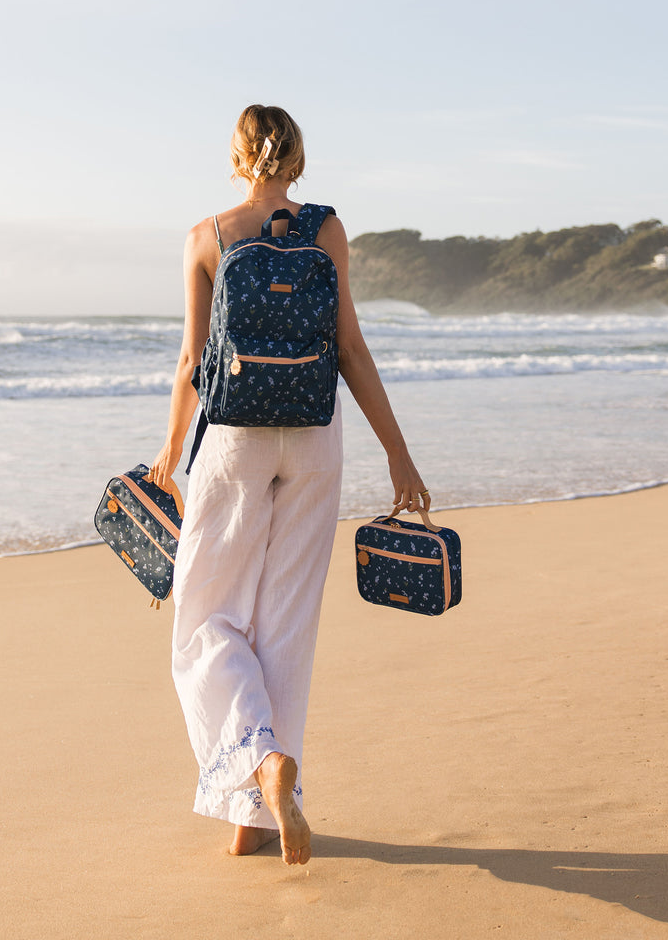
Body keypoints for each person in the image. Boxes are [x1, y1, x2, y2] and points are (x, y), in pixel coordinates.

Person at [147, 104, 429, 866]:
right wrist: (399, 454)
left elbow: (187, 363)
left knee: (205, 623)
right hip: (315, 435)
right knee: (287, 628)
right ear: (297, 156)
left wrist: (169, 452)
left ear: (237, 154)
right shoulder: (328, 229)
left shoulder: (207, 235)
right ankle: (261, 818)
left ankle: (261, 764)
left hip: (234, 441)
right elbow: (351, 349)